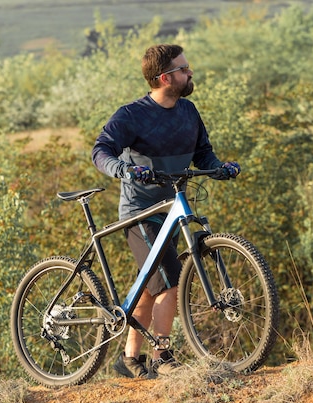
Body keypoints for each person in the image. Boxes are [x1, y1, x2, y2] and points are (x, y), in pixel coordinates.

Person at [91, 44, 240, 378]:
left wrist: (219, 168)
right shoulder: (132, 115)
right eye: (184, 69)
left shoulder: (188, 112)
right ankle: (163, 356)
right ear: (165, 77)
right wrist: (123, 169)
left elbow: (203, 154)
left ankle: (129, 360)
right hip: (141, 211)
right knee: (170, 279)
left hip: (173, 206)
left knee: (152, 285)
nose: (190, 73)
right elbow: (101, 150)